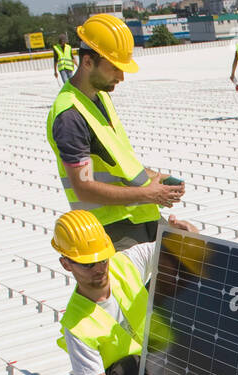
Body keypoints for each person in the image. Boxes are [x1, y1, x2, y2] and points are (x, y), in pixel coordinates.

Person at [51, 210, 171, 375]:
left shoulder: (124, 264)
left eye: (102, 259)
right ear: (66, 264)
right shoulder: (77, 325)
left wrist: (184, 233)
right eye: (88, 264)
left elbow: (172, 246)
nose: (99, 269)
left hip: (161, 358)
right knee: (126, 374)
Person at [46, 13, 185, 251]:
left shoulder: (99, 97)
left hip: (140, 217)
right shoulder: (69, 115)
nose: (121, 77)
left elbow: (116, 160)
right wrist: (149, 194)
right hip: (114, 230)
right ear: (88, 62)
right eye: (114, 68)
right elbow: (84, 187)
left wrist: (155, 178)